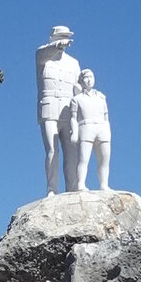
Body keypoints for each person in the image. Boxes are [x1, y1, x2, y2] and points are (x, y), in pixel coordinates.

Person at [34, 25, 81, 195]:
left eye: (66, 37)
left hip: (68, 110)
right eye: (61, 36)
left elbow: (80, 87)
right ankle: (52, 188)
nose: (65, 40)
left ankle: (73, 188)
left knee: (72, 153)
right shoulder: (42, 56)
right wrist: (57, 45)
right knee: (52, 150)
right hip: (49, 108)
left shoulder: (74, 63)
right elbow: (45, 52)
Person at [59, 68, 111, 192]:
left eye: (91, 77)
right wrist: (75, 132)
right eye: (86, 78)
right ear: (81, 81)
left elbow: (106, 117)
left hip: (101, 128)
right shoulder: (76, 99)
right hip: (86, 128)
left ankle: (104, 184)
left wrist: (108, 131)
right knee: (83, 159)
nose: (89, 80)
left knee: (104, 159)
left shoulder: (101, 97)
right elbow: (73, 118)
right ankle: (81, 184)